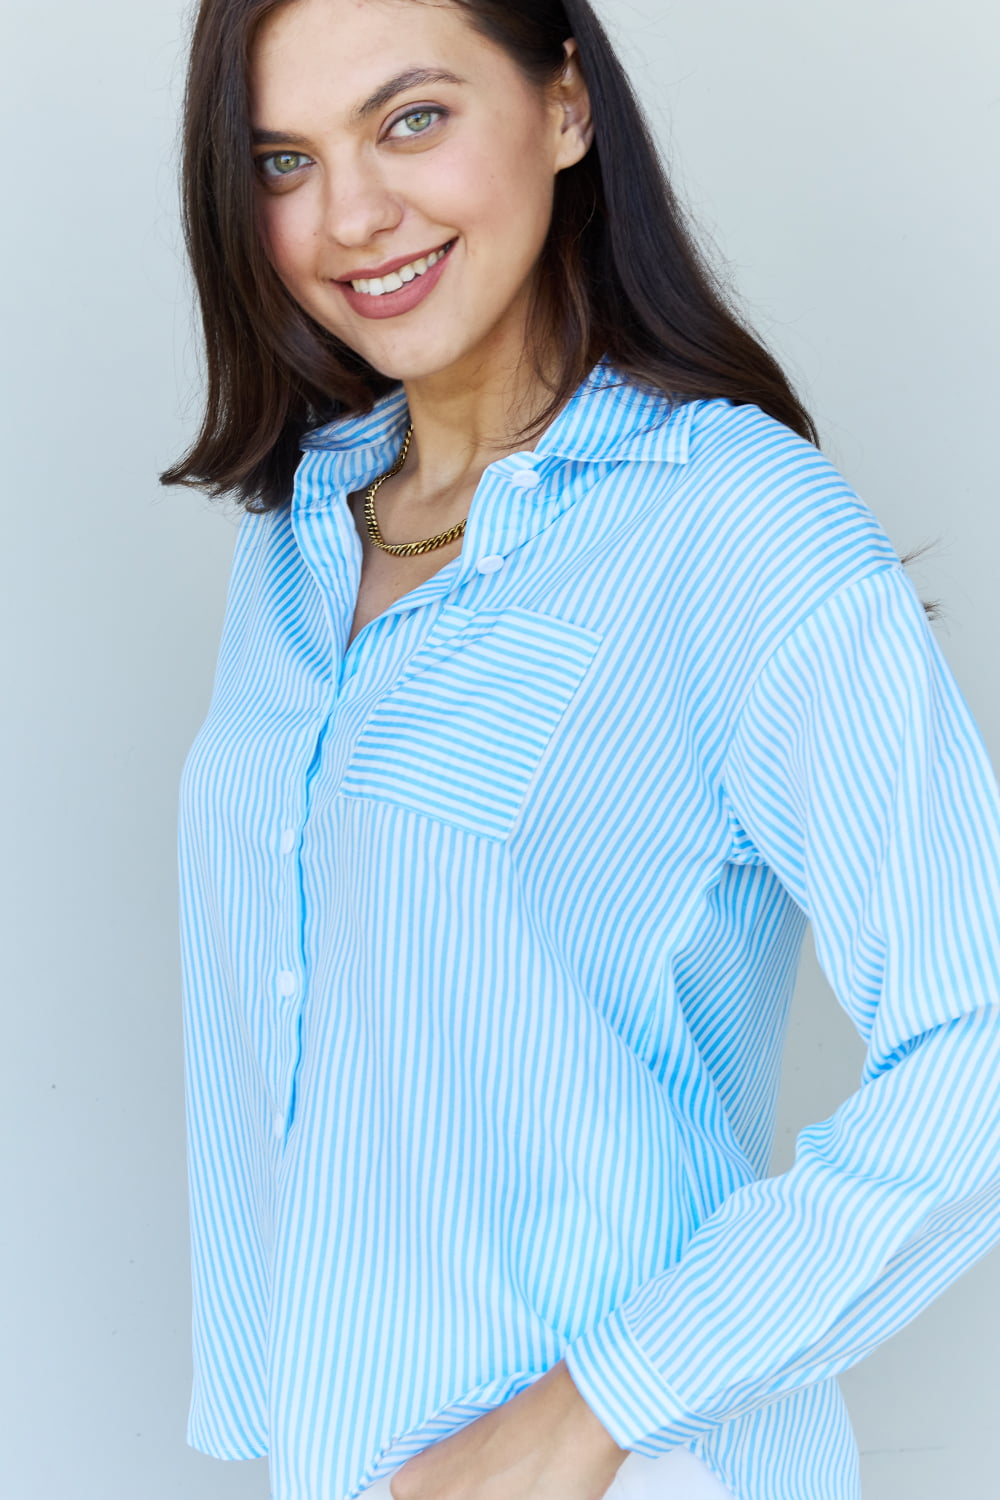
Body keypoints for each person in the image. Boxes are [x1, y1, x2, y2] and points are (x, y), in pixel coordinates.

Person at [161, 2, 1000, 1498]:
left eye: (411, 118)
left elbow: (982, 1043)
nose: (352, 215)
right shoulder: (297, 542)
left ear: (564, 106)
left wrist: (583, 1417)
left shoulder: (740, 525)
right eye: (283, 158)